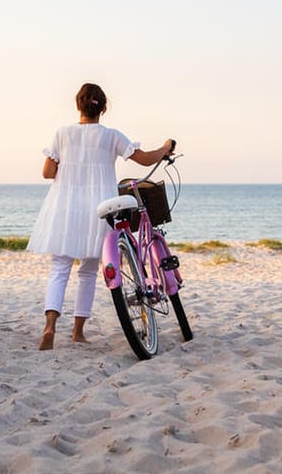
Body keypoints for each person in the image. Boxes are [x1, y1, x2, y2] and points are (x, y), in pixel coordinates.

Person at [27, 83, 174, 351]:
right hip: (99, 209)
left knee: (59, 269)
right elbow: (143, 160)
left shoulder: (62, 133)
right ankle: (78, 332)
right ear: (103, 108)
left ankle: (49, 327)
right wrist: (165, 147)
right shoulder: (111, 136)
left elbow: (48, 172)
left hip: (66, 206)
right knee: (88, 271)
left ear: (77, 106)